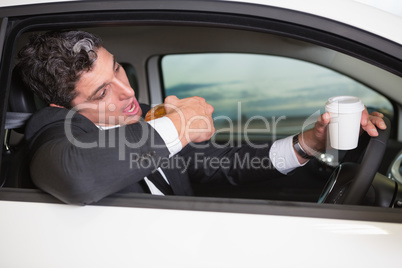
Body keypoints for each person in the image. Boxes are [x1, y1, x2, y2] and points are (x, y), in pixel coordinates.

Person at [16, 30, 386, 205]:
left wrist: (308, 143)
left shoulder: (143, 116)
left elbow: (221, 164)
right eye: (101, 92)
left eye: (118, 70)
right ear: (61, 109)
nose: (127, 92)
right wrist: (179, 123)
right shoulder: (53, 132)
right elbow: (77, 178)